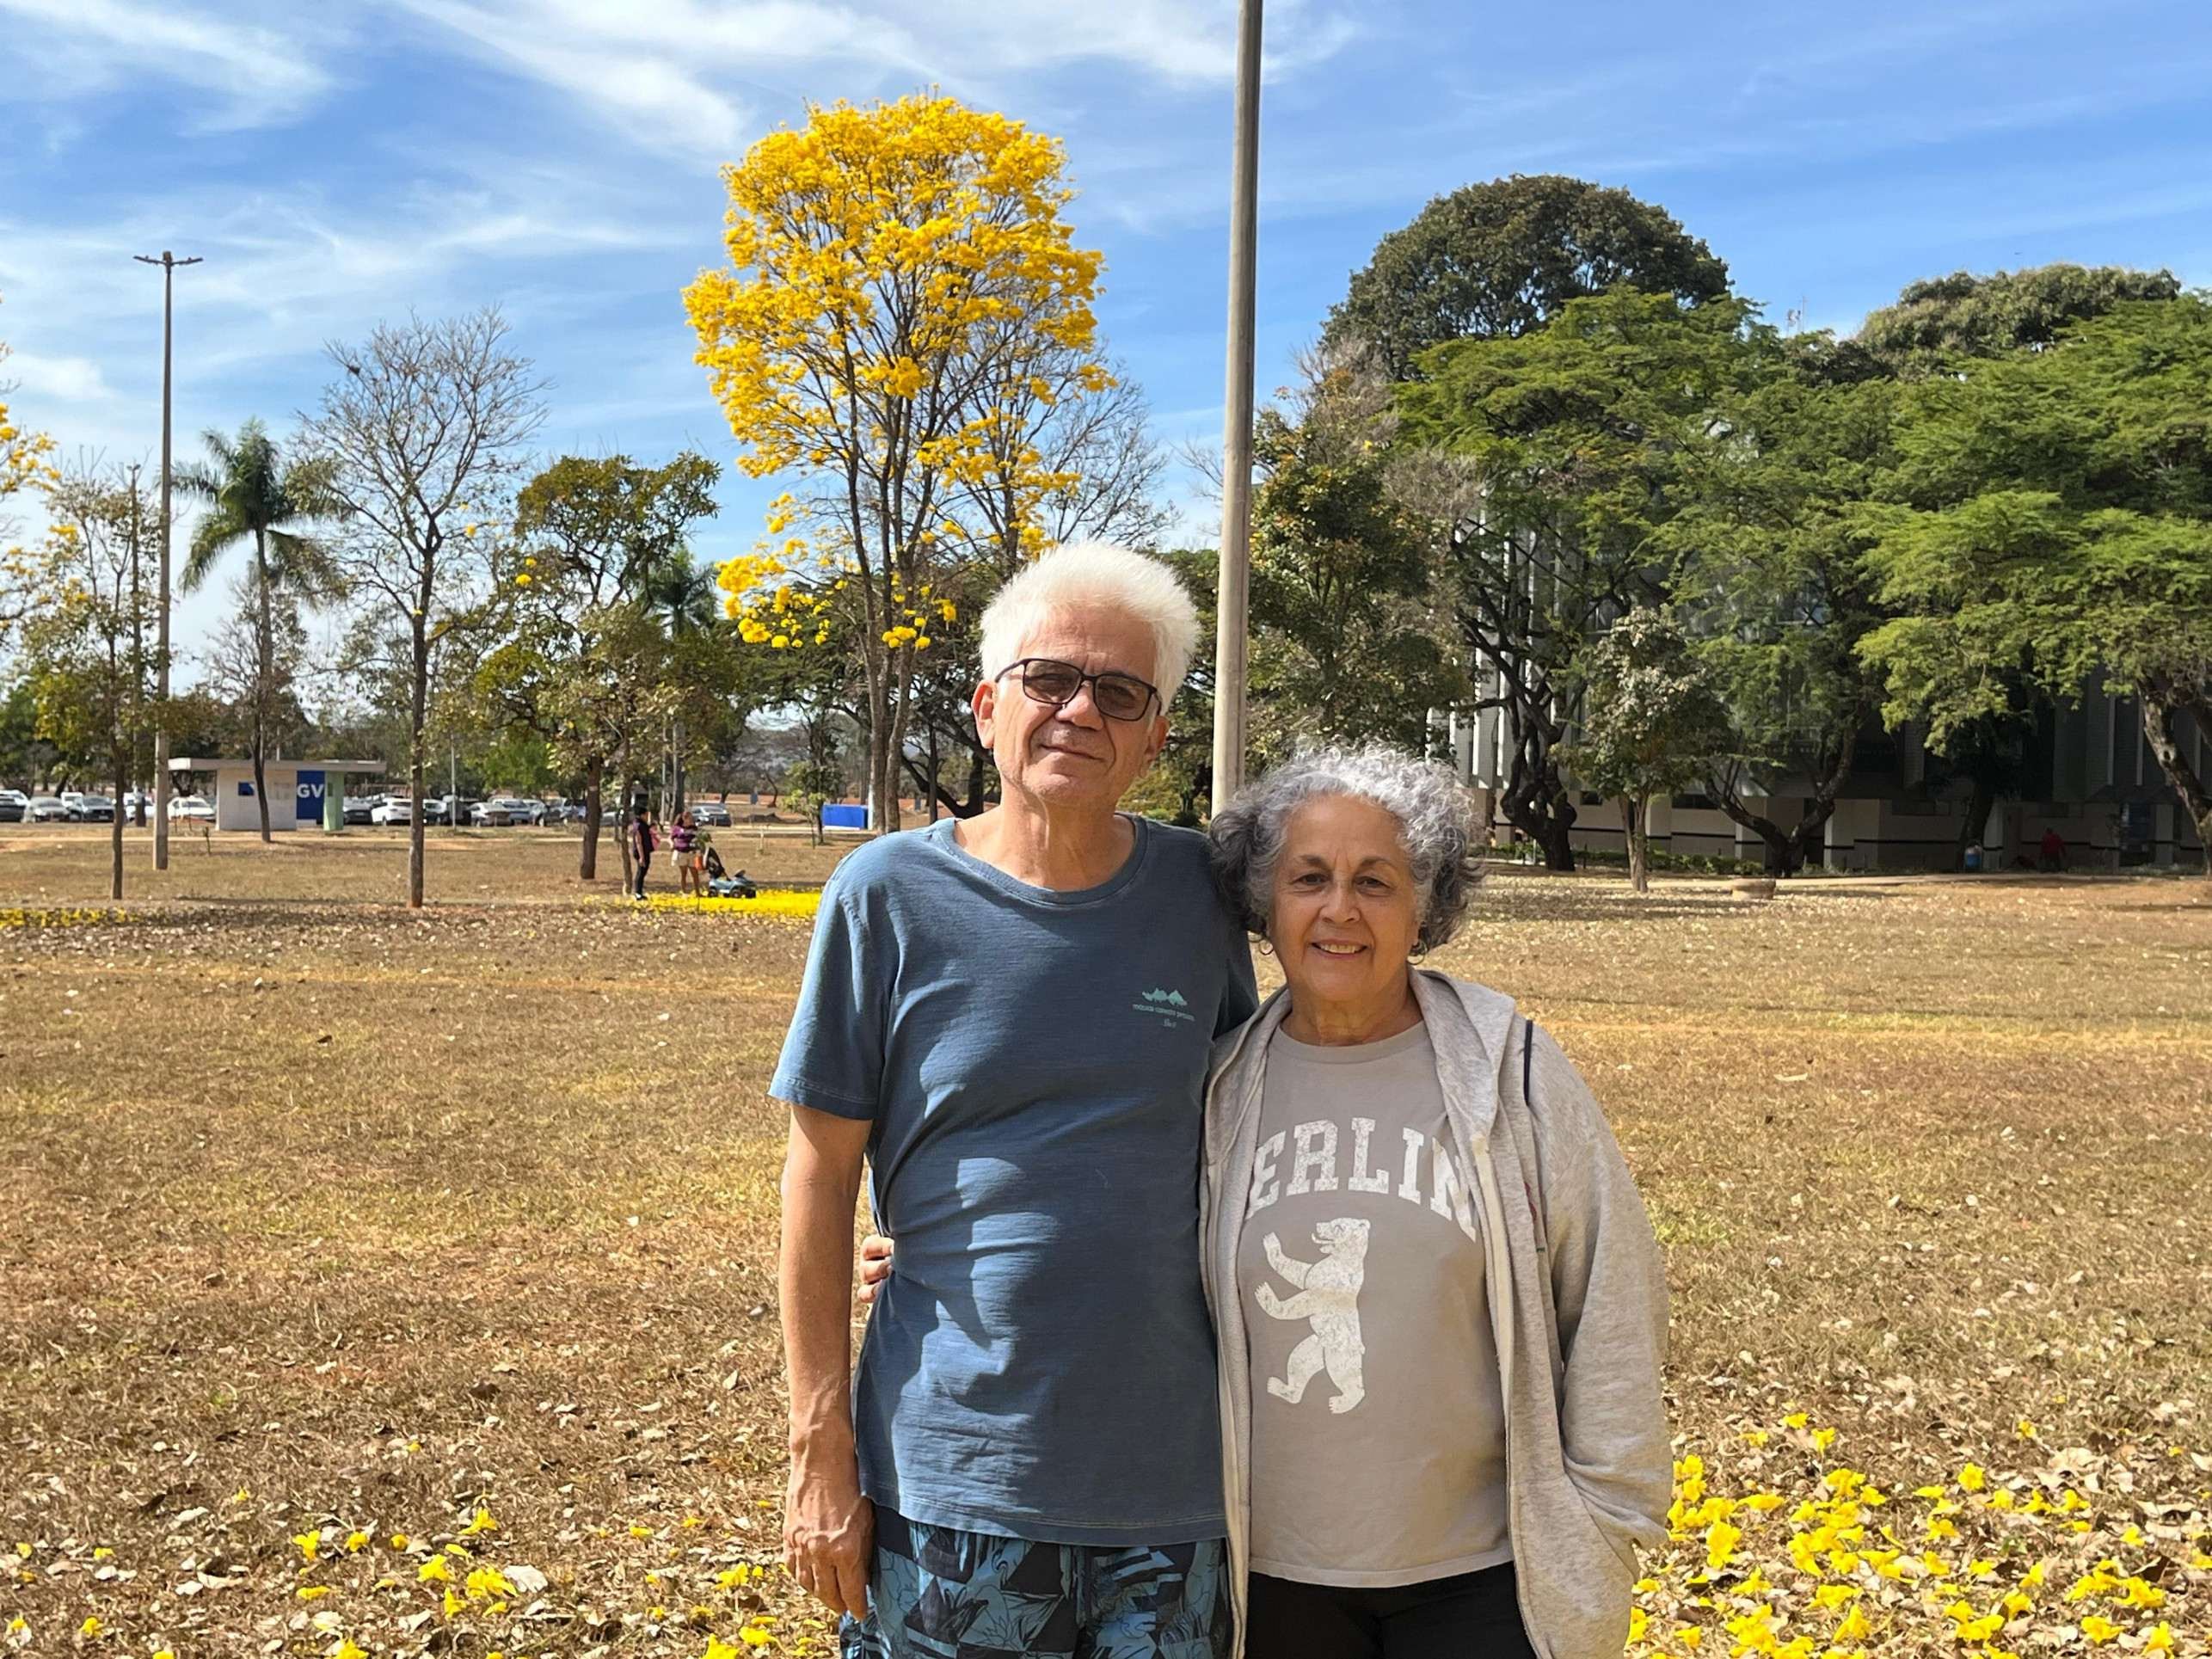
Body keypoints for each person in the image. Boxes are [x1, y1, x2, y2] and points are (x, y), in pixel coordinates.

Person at [865, 745, 1671, 1659]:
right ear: (1265, 901)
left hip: (1484, 1575)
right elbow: (1113, 1218)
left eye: (1376, 881)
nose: (1339, 910)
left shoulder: (1510, 1072)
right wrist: (941, 1257)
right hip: (1272, 1581)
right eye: (1309, 878)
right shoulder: (1215, 1086)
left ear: (1426, 905)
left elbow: (1608, 1289)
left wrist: (1610, 1515)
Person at [775, 542, 1258, 1659]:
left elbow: (1263, 1121)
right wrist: (820, 1448)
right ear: (989, 706)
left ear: (1157, 737)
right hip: (951, 1486)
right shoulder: (885, 896)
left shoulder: (1202, 896)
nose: (1081, 709)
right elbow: (818, 1176)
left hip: (1174, 1496)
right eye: (1050, 678)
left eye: (1120, 691)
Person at [629, 807, 657, 900]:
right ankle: (637, 893)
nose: (647, 816)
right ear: (642, 815)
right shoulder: (638, 825)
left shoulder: (642, 824)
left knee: (642, 872)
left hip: (645, 851)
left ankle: (639, 892)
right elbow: (638, 842)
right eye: (646, 815)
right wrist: (641, 857)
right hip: (641, 852)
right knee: (641, 872)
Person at [671, 809, 701, 895]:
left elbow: (698, 837)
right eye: (689, 818)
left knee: (695, 873)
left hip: (692, 853)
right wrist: (674, 844)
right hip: (681, 853)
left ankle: (697, 892)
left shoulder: (694, 828)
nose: (691, 819)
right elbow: (672, 838)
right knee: (683, 873)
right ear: (684, 818)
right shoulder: (678, 828)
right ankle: (684, 892)